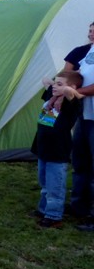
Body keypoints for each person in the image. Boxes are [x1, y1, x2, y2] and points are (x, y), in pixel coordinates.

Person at [31, 70, 83, 228]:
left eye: (60, 84)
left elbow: (72, 93)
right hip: (43, 150)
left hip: (57, 152)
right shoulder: (51, 97)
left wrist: (66, 89)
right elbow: (45, 79)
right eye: (55, 83)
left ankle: (54, 216)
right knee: (45, 183)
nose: (55, 86)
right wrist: (56, 86)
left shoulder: (71, 104)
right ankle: (44, 209)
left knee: (55, 186)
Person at [62, 21, 94, 230]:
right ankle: (79, 206)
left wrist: (76, 93)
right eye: (90, 29)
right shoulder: (87, 52)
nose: (91, 33)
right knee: (80, 161)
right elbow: (71, 74)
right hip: (85, 115)